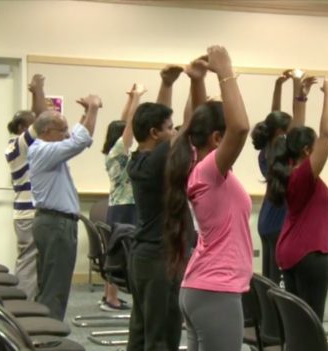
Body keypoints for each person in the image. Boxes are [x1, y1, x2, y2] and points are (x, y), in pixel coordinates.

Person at [166, 45, 251, 351]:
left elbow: (195, 121)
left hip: (200, 289)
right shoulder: (208, 172)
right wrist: (226, 70)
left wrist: (197, 80)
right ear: (217, 139)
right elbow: (240, 128)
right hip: (216, 290)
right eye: (224, 137)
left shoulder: (194, 165)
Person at [127, 58, 206, 350]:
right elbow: (194, 125)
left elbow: (158, 123)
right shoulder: (158, 158)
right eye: (169, 128)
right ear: (155, 134)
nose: (175, 132)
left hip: (144, 256)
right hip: (159, 258)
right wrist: (196, 81)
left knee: (142, 329)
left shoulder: (140, 158)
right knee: (162, 334)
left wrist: (167, 84)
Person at [266, 76, 328, 321]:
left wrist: (301, 95)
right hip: (309, 254)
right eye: (314, 146)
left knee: (298, 321)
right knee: (311, 321)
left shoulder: (288, 166)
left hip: (291, 251)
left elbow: (294, 132)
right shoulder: (303, 177)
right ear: (307, 151)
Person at [29, 95, 102, 320]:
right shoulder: (43, 150)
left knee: (51, 283)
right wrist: (93, 109)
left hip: (52, 223)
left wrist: (86, 113)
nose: (66, 134)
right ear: (47, 131)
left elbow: (80, 138)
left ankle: (44, 331)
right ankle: (49, 336)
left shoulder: (47, 150)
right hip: (55, 224)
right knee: (55, 287)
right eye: (62, 130)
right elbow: (79, 141)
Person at [251, 69, 317, 284]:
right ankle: (277, 315)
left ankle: (270, 315)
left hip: (267, 221)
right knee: (280, 280)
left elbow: (274, 115)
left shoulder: (268, 150)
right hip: (278, 222)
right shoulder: (281, 152)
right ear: (280, 133)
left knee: (270, 278)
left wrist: (279, 86)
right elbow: (298, 125)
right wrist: (298, 85)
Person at [100, 83, 146, 311]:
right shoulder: (119, 151)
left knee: (117, 249)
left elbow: (124, 124)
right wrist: (136, 99)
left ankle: (110, 295)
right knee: (122, 252)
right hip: (125, 207)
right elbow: (129, 126)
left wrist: (129, 100)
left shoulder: (114, 152)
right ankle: (111, 298)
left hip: (119, 206)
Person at [4, 73, 48, 300]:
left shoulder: (20, 146)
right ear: (22, 126)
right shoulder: (19, 145)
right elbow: (42, 120)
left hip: (26, 213)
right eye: (30, 122)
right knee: (29, 265)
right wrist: (38, 90)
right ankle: (22, 309)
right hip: (28, 214)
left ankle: (26, 306)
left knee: (31, 263)